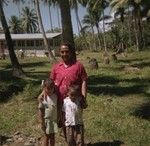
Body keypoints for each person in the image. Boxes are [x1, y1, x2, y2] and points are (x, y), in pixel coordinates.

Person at [38, 78, 58, 146]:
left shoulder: (55, 96)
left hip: (54, 121)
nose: (49, 90)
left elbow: (56, 108)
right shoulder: (43, 98)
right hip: (46, 121)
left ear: (54, 88)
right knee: (46, 137)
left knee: (53, 137)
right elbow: (41, 111)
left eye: (51, 88)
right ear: (44, 88)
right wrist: (42, 122)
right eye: (48, 89)